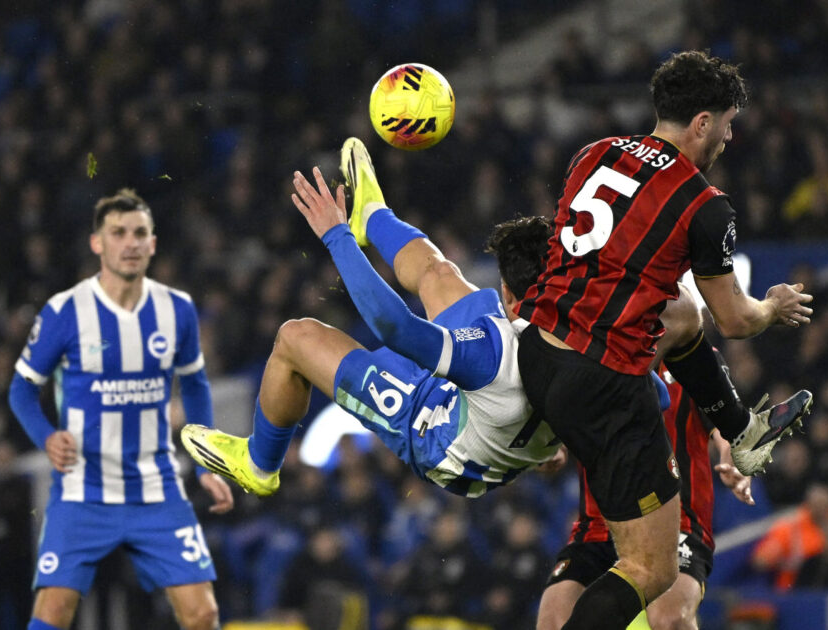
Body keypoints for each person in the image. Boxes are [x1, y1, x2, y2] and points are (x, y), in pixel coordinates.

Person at [518, 50, 814, 627]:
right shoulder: (705, 206)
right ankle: (742, 431)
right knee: (651, 574)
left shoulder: (592, 153)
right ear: (702, 122)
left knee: (680, 313)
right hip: (604, 378)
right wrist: (772, 306)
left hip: (537, 352)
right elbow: (734, 320)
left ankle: (740, 430)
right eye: (727, 124)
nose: (728, 138)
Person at [181, 138, 560, 499]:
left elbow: (394, 326)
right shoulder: (592, 334)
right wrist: (547, 444)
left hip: (441, 441)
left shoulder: (489, 354)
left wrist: (336, 236)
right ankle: (373, 216)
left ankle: (259, 466)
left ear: (508, 295)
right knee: (439, 276)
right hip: (498, 418)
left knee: (295, 338)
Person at [8, 189, 234, 630]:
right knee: (53, 612)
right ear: (98, 243)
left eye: (139, 233)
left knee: (203, 612)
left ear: (153, 244)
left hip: (157, 488)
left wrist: (206, 465)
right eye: (118, 233)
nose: (130, 243)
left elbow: (195, 383)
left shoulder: (177, 310)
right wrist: (47, 437)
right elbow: (20, 389)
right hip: (83, 491)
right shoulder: (65, 311)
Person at [538, 285, 756, 630]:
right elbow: (554, 433)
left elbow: (725, 426)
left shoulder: (698, 357)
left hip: (678, 522)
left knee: (669, 619)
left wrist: (735, 462)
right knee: (552, 620)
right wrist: (550, 452)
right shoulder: (588, 355)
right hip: (601, 524)